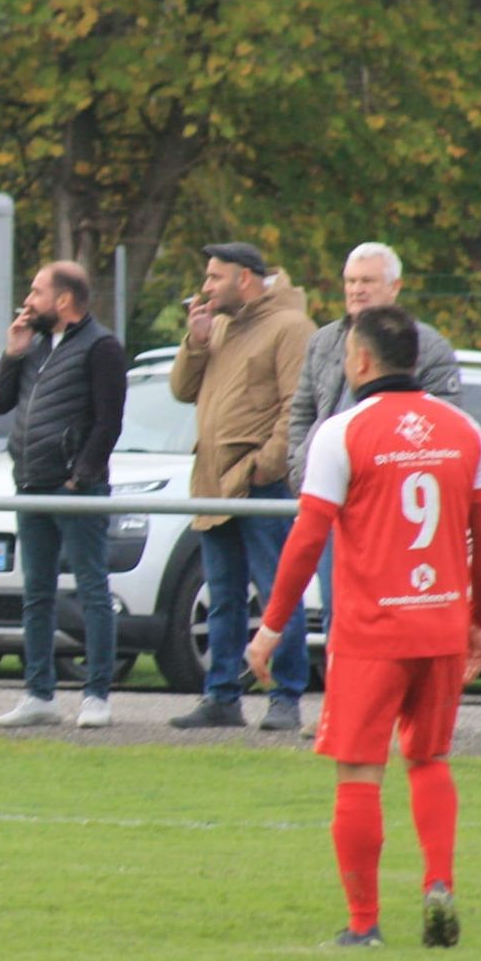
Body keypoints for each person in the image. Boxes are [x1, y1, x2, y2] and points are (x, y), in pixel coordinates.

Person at [245, 306, 481, 948]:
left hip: (372, 632)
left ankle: (363, 925)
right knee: (430, 758)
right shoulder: (464, 430)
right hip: (440, 623)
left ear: (359, 360)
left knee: (359, 771)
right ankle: (438, 881)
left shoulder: (342, 432)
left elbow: (306, 539)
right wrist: (478, 622)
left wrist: (273, 625)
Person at [287, 243, 460, 725]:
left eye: (367, 282)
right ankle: (345, 709)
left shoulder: (427, 346)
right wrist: (305, 467)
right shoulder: (323, 342)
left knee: (395, 613)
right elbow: (302, 410)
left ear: (395, 288)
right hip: (332, 502)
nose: (357, 291)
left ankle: (400, 712)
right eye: (351, 282)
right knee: (340, 614)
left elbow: (448, 421)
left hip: (393, 510)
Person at [167, 242, 316, 733]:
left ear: (244, 280)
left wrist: (264, 468)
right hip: (213, 483)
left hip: (259, 487)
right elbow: (183, 392)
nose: (205, 288)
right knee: (224, 594)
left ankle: (285, 695)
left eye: (214, 278)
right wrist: (196, 341)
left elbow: (298, 406)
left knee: (278, 593)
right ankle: (222, 696)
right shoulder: (222, 324)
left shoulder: (291, 327)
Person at [0, 261, 128, 730]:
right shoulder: (35, 344)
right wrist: (12, 353)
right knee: (36, 593)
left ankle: (97, 695)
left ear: (64, 301)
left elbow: (108, 422)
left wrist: (81, 476)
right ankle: (39, 694)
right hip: (30, 483)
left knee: (91, 589)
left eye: (36, 291)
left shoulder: (101, 346)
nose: (28, 300)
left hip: (73, 489)